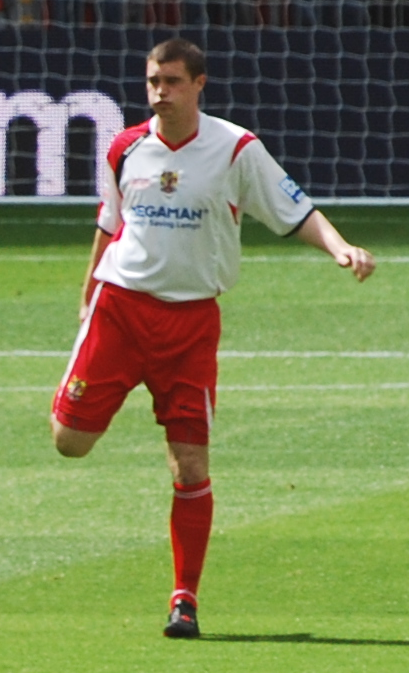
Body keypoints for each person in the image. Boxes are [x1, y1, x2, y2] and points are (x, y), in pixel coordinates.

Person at [50, 37, 375, 639]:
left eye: (172, 81)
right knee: (69, 442)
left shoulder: (236, 149)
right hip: (120, 310)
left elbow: (294, 209)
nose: (160, 93)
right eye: (152, 81)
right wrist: (87, 295)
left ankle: (184, 600)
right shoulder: (126, 147)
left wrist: (340, 247)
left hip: (190, 324)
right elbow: (110, 223)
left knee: (191, 464)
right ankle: (94, 388)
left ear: (199, 84)